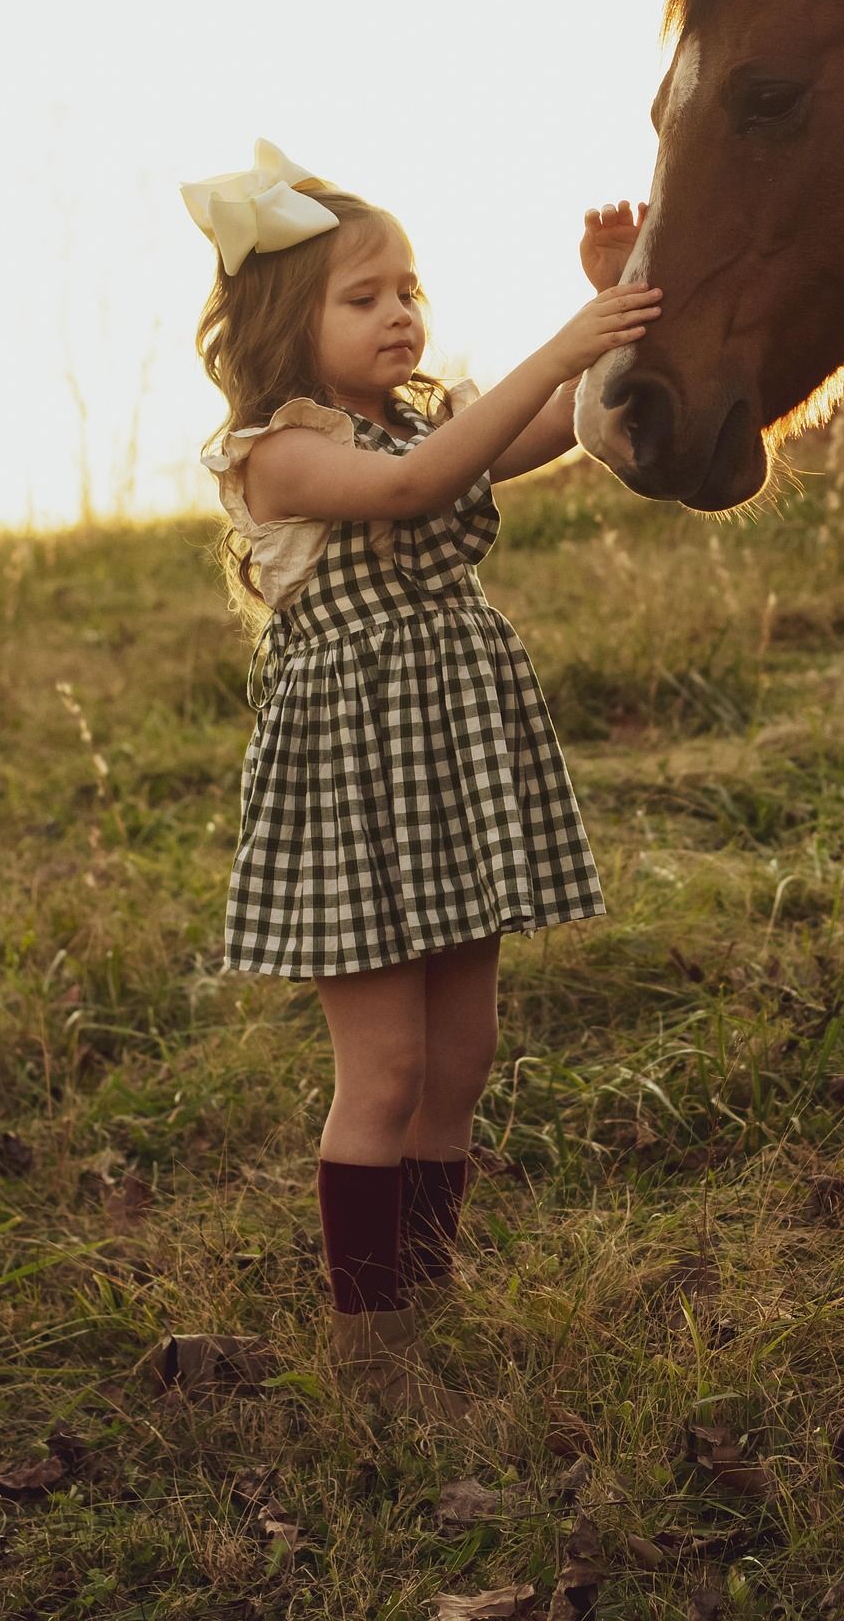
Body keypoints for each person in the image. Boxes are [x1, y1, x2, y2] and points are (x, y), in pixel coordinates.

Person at [187, 139, 658, 1420]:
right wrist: (563, 342)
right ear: (292, 320)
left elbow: (554, 427)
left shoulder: (420, 418)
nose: (400, 312)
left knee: (463, 1057)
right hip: (356, 789)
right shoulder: (276, 451)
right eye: (364, 296)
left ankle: (432, 1291)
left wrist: (620, 299)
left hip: (451, 761)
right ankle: (370, 1342)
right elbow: (414, 489)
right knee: (384, 1071)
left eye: (410, 290)